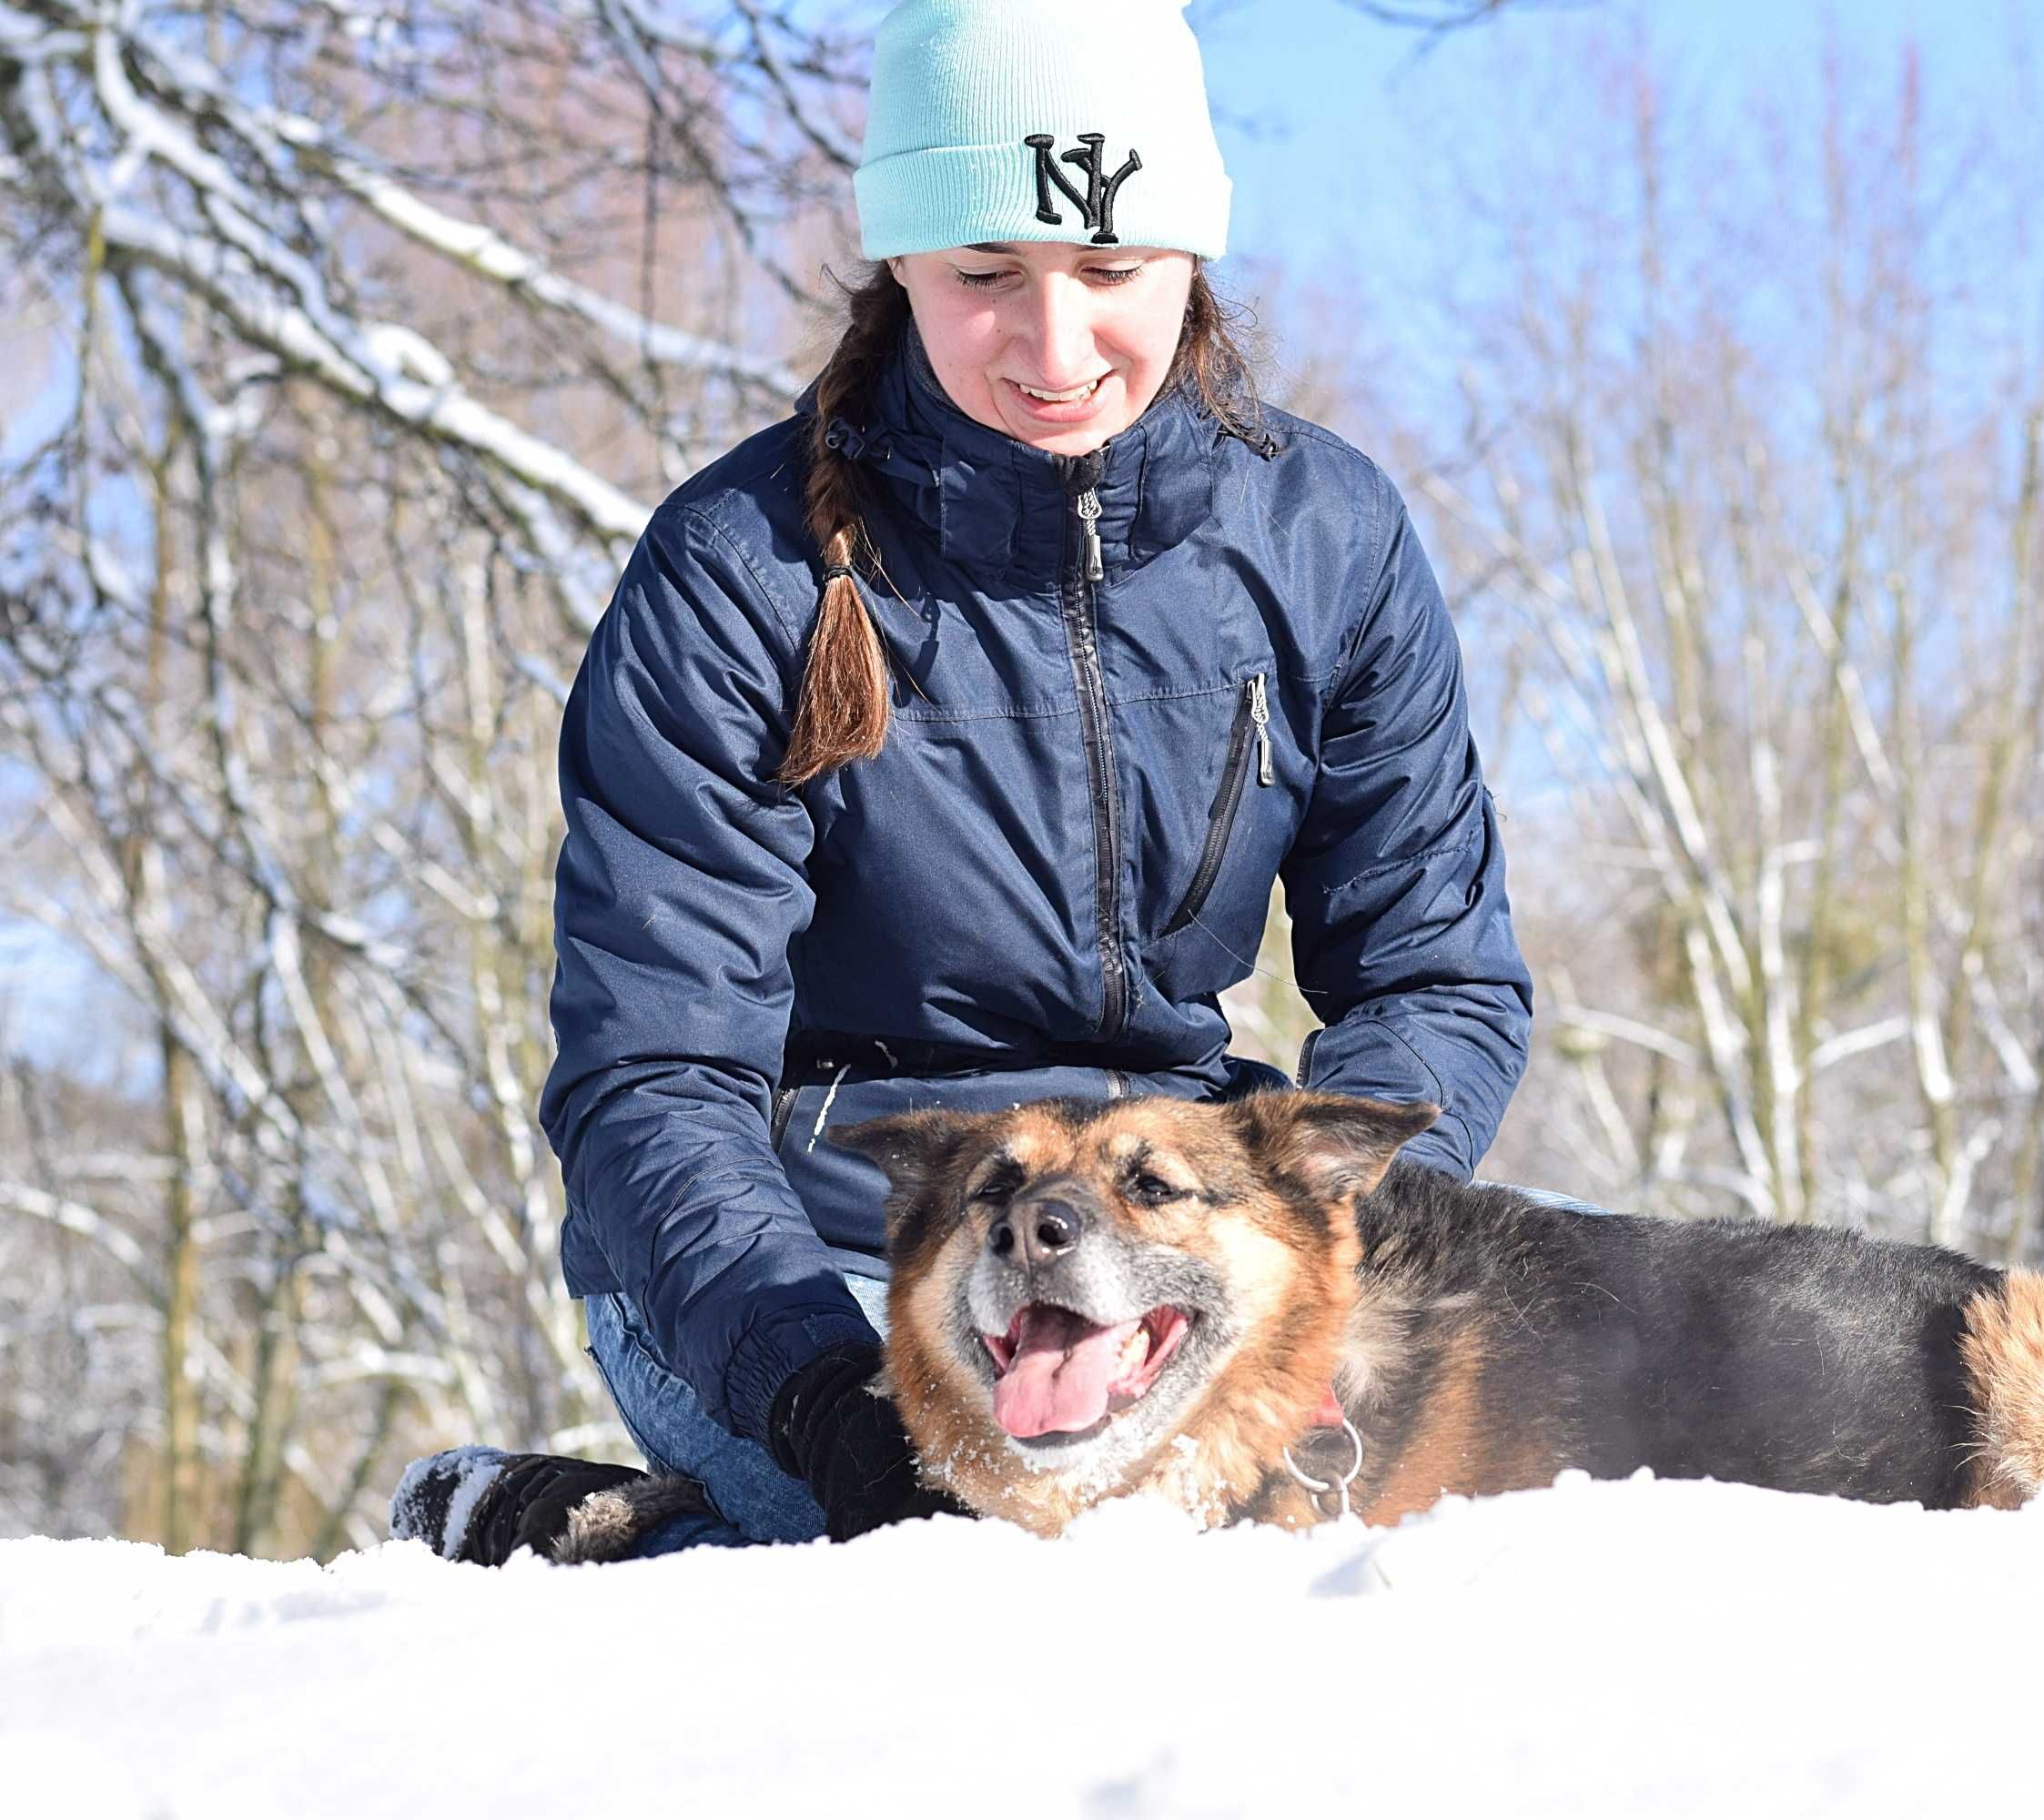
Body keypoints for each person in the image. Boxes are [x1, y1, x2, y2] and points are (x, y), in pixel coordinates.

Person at [390, 0, 1542, 1565]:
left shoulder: (1324, 539)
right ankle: (581, 1536)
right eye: (988, 275)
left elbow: (1437, 974)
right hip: (819, 1256)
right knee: (992, 1558)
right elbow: (654, 1075)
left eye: (1113, 270)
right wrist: (821, 1393)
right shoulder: (739, 576)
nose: (1057, 349)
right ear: (903, 266)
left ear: (1192, 256)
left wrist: (1316, 1245)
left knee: (1469, 1503)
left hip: (1160, 1239)